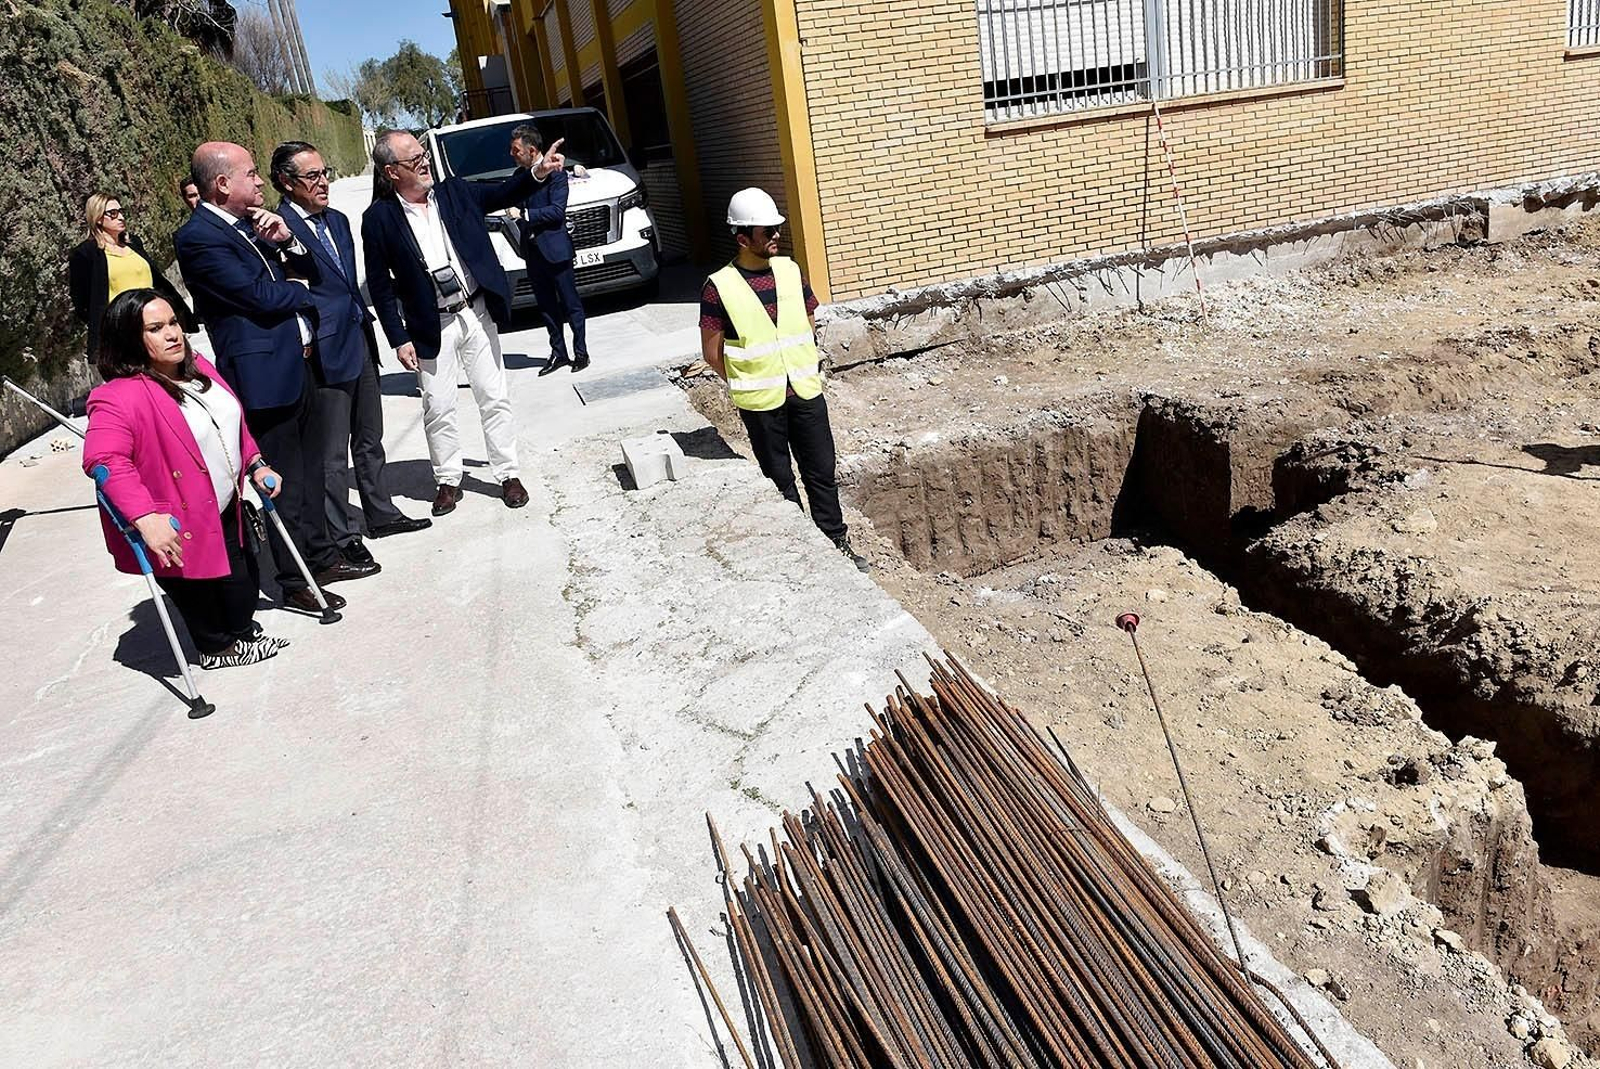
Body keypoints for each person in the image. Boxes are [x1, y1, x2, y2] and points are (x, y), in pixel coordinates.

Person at [176, 141, 372, 614]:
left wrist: (286, 239)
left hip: (297, 362)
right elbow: (258, 296)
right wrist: (298, 293)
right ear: (222, 184)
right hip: (263, 374)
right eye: (250, 174)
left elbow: (309, 271)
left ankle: (321, 557)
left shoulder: (253, 227)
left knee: (307, 473)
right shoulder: (199, 237)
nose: (260, 181)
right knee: (282, 481)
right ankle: (294, 578)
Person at [83, 289, 288, 668]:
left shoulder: (199, 369)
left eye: (174, 322)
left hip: (224, 504)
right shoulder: (116, 397)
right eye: (156, 328)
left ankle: (239, 633)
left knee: (241, 580)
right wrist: (144, 517)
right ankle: (217, 649)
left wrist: (256, 462)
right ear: (130, 337)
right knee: (201, 589)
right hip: (177, 518)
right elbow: (104, 459)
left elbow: (229, 423)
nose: (173, 334)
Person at [361, 130, 562, 515]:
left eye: (424, 155)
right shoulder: (379, 220)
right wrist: (398, 338)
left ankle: (507, 473)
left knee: (494, 396)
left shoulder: (454, 192)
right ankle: (448, 480)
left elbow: (503, 193)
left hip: (475, 311)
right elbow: (381, 288)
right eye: (413, 160)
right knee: (438, 405)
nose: (424, 163)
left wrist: (538, 172)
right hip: (431, 324)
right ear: (391, 172)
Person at [270, 141, 430, 565]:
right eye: (312, 176)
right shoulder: (278, 228)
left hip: (359, 338)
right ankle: (341, 534)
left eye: (325, 173)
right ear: (286, 183)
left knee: (370, 436)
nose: (323, 183)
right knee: (332, 454)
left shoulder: (339, 221)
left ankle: (381, 512)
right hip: (323, 349)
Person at [699, 188, 867, 572]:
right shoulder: (718, 286)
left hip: (805, 390)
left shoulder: (791, 271)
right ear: (743, 238)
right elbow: (712, 353)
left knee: (821, 471)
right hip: (761, 402)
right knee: (780, 478)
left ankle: (835, 543)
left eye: (777, 228)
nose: (776, 235)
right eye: (767, 231)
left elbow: (807, 324)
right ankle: (805, 554)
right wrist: (749, 381)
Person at [69, 192, 194, 363]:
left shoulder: (134, 243)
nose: (120, 217)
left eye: (121, 211)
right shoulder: (86, 254)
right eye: (113, 213)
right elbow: (81, 301)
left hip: (156, 324)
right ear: (98, 218)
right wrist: (108, 323)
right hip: (123, 331)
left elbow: (157, 282)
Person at [509, 124, 589, 376]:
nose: (512, 154)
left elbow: (556, 212)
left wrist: (525, 214)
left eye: (516, 150)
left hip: (555, 250)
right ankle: (559, 353)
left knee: (570, 303)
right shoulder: (518, 177)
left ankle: (581, 353)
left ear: (531, 150)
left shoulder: (557, 175)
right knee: (545, 306)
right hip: (533, 253)